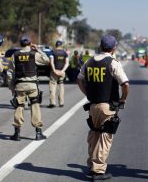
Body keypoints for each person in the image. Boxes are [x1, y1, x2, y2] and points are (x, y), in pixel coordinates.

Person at [77, 35, 129, 181]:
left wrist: (87, 93)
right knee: (104, 137)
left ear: (100, 46)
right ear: (114, 48)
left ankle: (92, 165)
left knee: (94, 135)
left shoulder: (89, 61)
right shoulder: (113, 63)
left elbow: (79, 79)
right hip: (107, 105)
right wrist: (123, 99)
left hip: (93, 105)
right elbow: (125, 84)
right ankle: (98, 171)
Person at [7, 36, 50, 141]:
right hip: (32, 85)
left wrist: (12, 87)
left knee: (19, 106)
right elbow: (47, 60)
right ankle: (38, 133)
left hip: (20, 85)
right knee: (35, 106)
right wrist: (38, 49)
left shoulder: (15, 55)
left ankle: (17, 133)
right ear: (30, 44)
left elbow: (9, 73)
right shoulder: (33, 54)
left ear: (20, 44)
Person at [48, 40, 69, 108]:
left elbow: (51, 62)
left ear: (56, 45)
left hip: (54, 72)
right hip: (62, 72)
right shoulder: (65, 53)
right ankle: (61, 102)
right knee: (61, 86)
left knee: (53, 86)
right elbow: (67, 63)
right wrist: (62, 71)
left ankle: (53, 102)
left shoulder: (52, 52)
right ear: (61, 45)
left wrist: (54, 70)